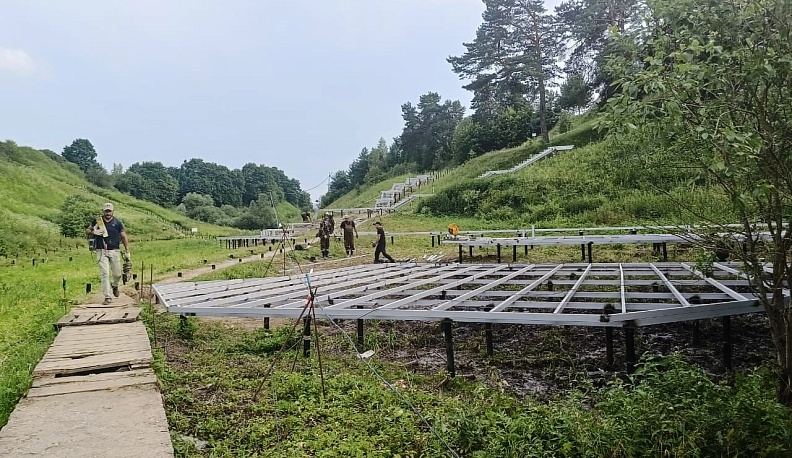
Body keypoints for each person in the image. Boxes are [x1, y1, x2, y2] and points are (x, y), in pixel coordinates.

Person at [85, 203, 130, 305]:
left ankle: (115, 285)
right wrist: (94, 232)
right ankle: (107, 296)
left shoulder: (117, 222)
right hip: (101, 250)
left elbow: (123, 236)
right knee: (105, 273)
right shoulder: (98, 221)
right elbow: (88, 230)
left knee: (117, 274)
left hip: (114, 250)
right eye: (106, 211)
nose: (108, 213)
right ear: (103, 211)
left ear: (113, 211)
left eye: (109, 211)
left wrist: (127, 251)